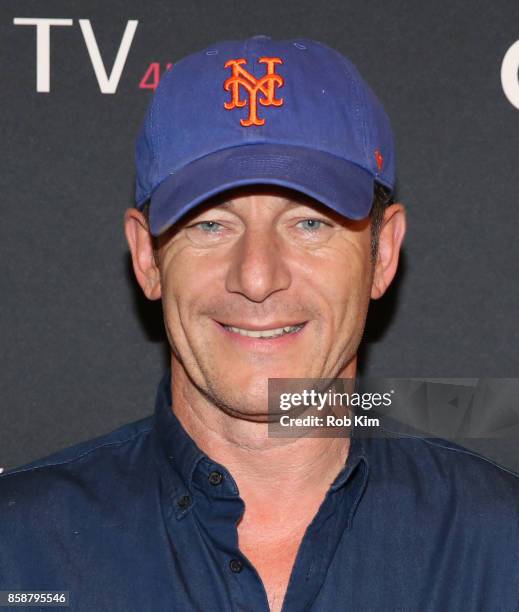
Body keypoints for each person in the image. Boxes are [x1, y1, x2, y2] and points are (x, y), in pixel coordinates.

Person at [0, 36, 517, 612]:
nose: (256, 276)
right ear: (147, 258)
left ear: (383, 253)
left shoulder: (501, 545)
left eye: (309, 224)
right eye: (211, 225)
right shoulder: (16, 549)